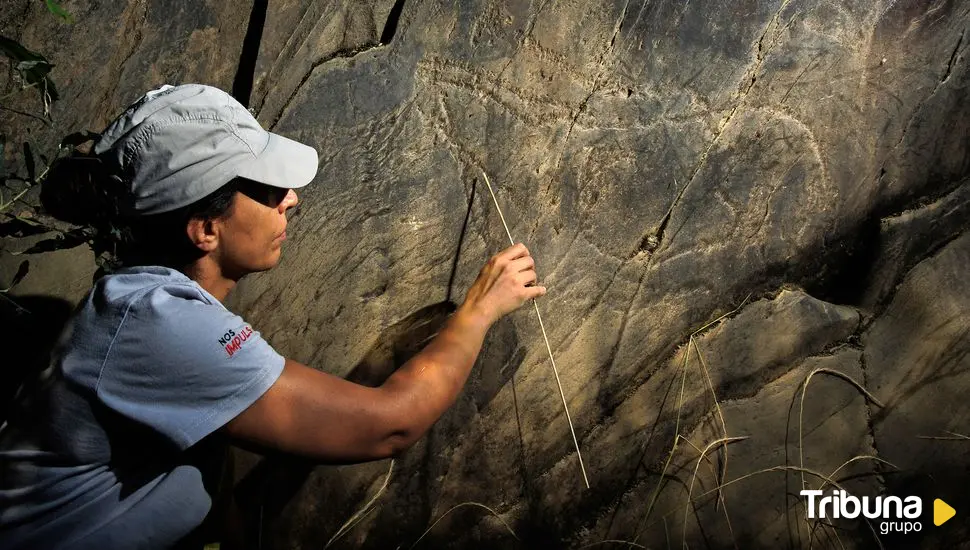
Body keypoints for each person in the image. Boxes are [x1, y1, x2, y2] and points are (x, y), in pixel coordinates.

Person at [0, 84, 545, 549]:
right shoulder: (158, 324)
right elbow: (389, 426)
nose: (291, 200)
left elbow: (203, 465)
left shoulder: (149, 303)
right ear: (204, 229)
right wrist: (479, 309)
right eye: (264, 189)